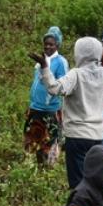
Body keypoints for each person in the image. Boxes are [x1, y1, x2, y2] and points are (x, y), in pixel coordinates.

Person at [29, 36, 103, 189]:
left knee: (77, 182)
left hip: (77, 135)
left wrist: (45, 66)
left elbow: (54, 88)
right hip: (96, 136)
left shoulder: (77, 74)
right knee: (92, 178)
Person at [24, 27, 68, 167]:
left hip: (50, 109)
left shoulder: (61, 62)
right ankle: (32, 166)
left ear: (58, 45)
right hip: (35, 107)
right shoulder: (41, 59)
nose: (48, 46)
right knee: (32, 138)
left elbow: (62, 85)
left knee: (49, 140)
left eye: (51, 44)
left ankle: (47, 167)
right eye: (46, 43)